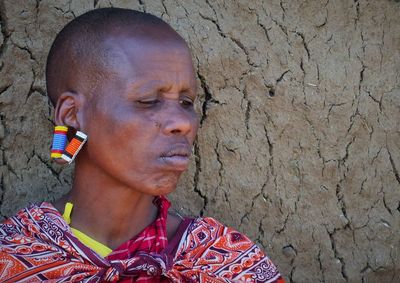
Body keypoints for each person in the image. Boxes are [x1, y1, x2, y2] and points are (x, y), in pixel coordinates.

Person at [0, 8, 284, 282]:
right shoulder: (13, 259)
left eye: (186, 103)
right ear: (73, 116)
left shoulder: (226, 263)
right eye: (148, 100)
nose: (182, 123)